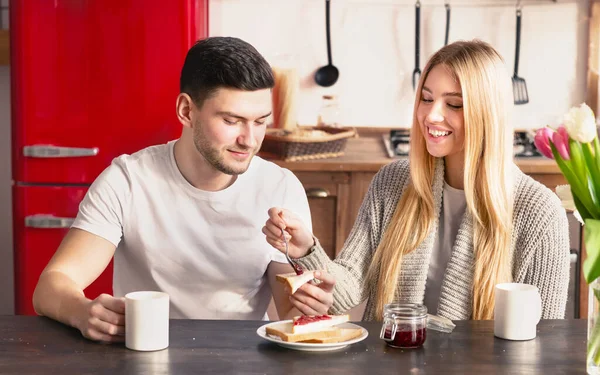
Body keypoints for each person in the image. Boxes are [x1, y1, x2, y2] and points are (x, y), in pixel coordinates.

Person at [32, 36, 334, 343]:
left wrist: (309, 303)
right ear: (187, 111)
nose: (250, 139)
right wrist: (83, 312)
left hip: (242, 357)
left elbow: (290, 311)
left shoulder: (279, 187)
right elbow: (52, 285)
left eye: (260, 122)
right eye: (232, 120)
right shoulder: (127, 180)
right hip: (144, 352)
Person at [263, 40, 570, 321]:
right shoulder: (393, 183)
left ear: (488, 113)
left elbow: (547, 341)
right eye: (426, 98)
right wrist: (305, 250)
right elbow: (346, 289)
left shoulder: (540, 212)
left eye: (454, 104)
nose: (431, 115)